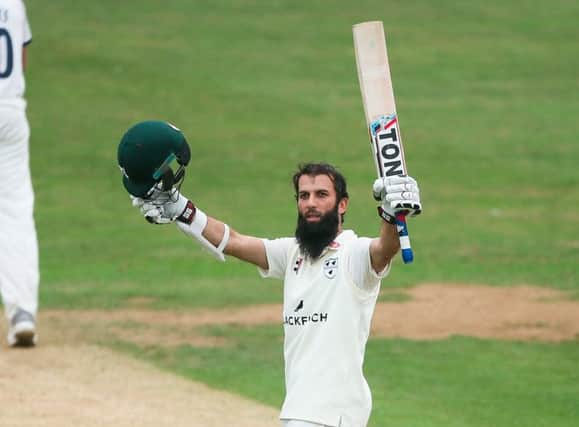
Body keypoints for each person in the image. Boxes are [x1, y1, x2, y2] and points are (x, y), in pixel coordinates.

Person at [118, 121, 422, 427]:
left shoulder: (353, 255)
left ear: (342, 205)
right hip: (300, 412)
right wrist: (180, 208)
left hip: (332, 414)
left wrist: (391, 215)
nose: (311, 204)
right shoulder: (292, 254)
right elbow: (233, 241)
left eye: (321, 195)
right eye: (304, 196)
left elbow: (385, 249)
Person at [0, 0, 38, 347]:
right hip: (10, 113)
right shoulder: (14, 3)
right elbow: (21, 63)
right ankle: (22, 312)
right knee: (15, 212)